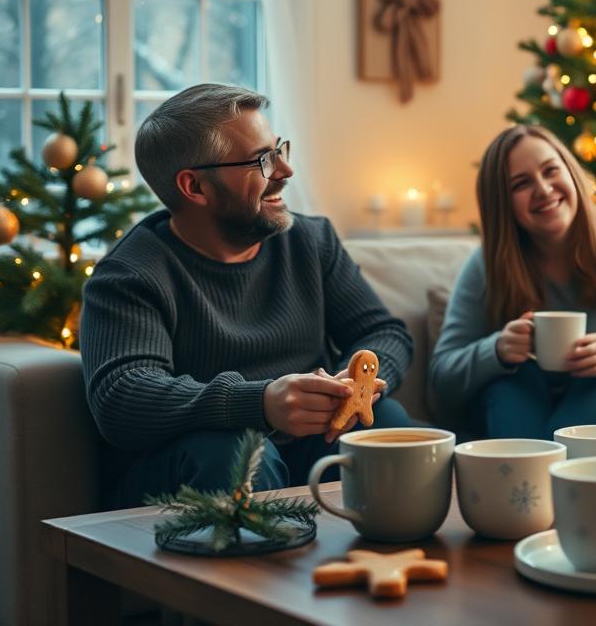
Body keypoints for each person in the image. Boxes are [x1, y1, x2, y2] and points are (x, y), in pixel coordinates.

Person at [81, 83, 412, 508]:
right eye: (262, 160)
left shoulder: (311, 241)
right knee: (237, 452)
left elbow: (385, 332)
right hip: (190, 469)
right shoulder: (132, 274)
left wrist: (353, 388)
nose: (285, 171)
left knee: (386, 422)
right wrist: (259, 403)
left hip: (307, 443)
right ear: (195, 187)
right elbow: (122, 397)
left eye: (280, 150)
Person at [429, 124, 596, 439]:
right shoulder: (487, 265)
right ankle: (532, 477)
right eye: (521, 184)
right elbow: (442, 377)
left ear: (571, 173)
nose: (544, 189)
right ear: (502, 203)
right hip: (522, 404)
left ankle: (538, 476)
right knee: (510, 387)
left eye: (551, 171)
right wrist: (496, 350)